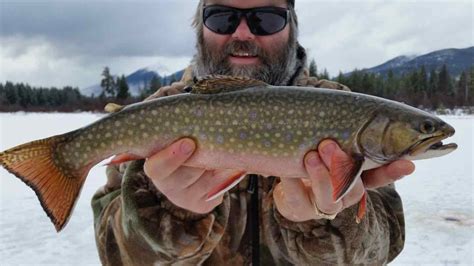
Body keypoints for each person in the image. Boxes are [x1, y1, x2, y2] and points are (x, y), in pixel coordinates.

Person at [92, 0, 415, 265]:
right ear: (199, 27)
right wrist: (172, 215)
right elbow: (114, 256)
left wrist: (329, 222)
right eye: (222, 18)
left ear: (292, 27)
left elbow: (383, 247)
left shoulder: (346, 109)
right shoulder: (158, 114)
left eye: (265, 19)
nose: (243, 33)